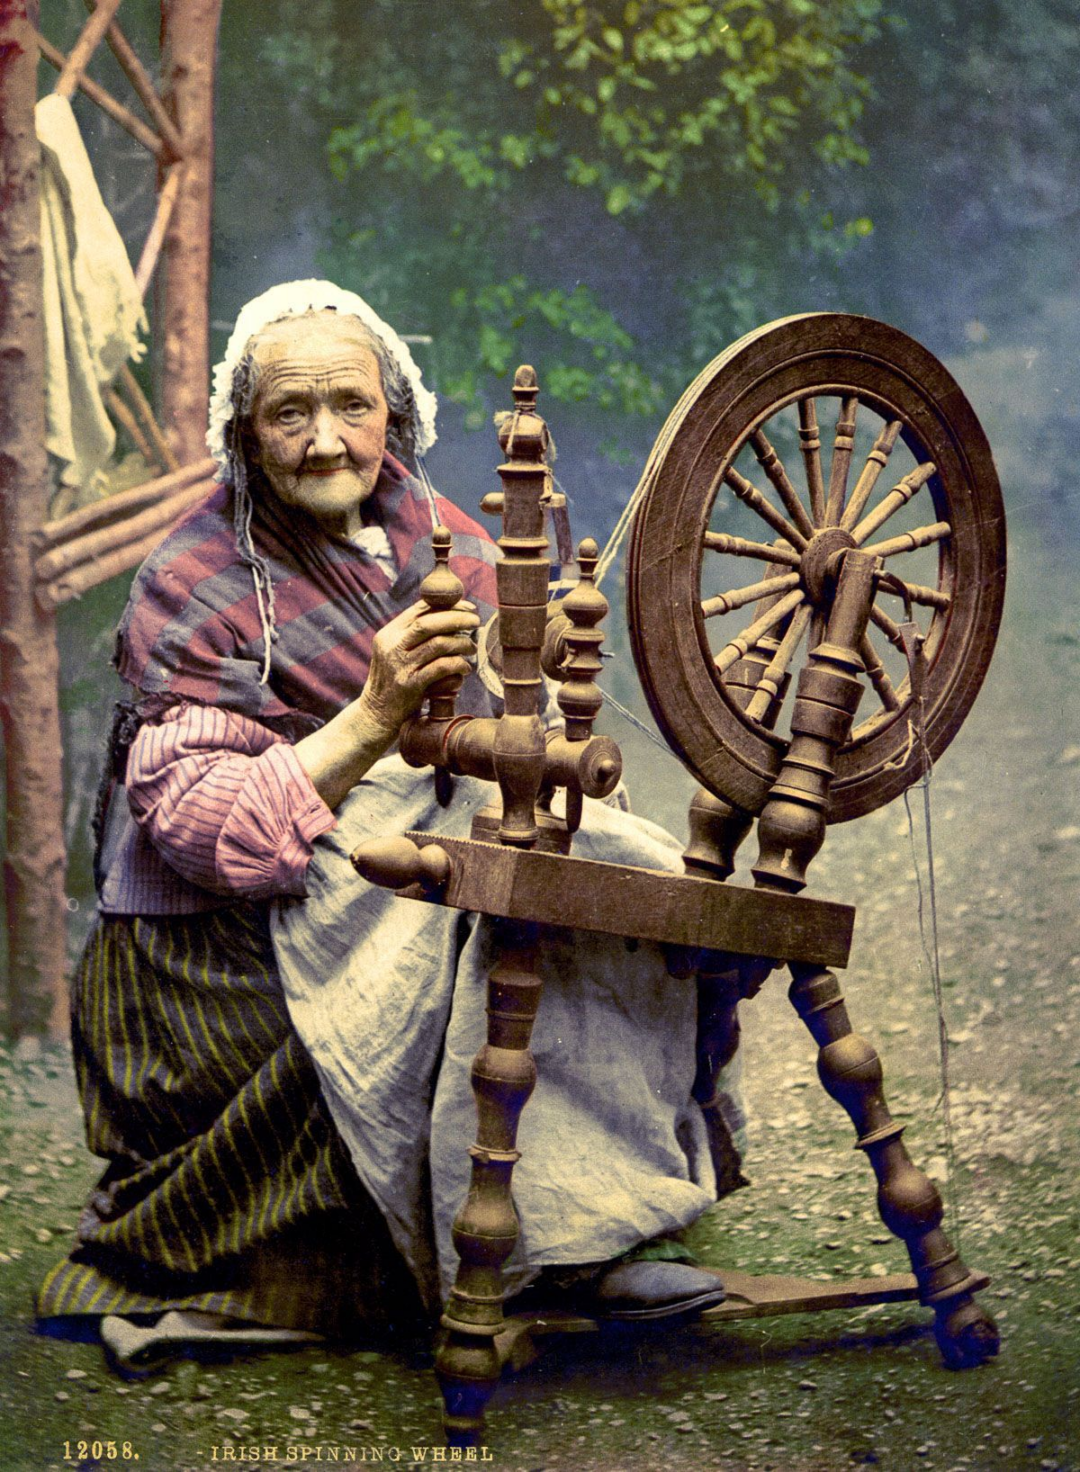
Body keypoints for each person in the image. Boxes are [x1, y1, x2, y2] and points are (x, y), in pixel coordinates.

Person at [39, 281, 743, 1371]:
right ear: (245, 433)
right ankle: (522, 1250)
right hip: (212, 946)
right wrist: (371, 715)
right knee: (465, 929)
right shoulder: (193, 578)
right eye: (290, 414)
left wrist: (536, 652)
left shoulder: (428, 523)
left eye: (351, 406)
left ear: (394, 415)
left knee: (605, 873)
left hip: (370, 855)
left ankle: (589, 1216)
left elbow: (496, 714)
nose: (326, 441)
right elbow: (199, 831)